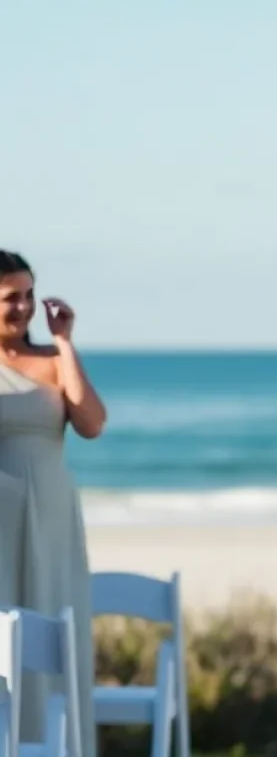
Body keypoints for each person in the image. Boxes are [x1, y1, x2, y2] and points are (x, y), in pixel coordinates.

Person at [0, 249, 104, 757]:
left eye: (27, 296)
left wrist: (64, 342)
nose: (22, 308)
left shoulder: (51, 359)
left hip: (54, 518)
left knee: (56, 632)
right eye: (9, 298)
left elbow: (91, 423)